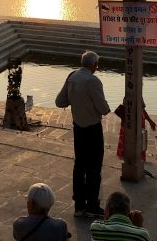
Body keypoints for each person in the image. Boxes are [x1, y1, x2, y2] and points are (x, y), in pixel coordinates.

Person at [55, 50, 110, 218]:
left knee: (79, 167)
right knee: (94, 168)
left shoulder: (72, 76)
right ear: (93, 65)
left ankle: (79, 205)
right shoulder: (93, 81)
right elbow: (103, 108)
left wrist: (76, 101)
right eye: (96, 65)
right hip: (92, 129)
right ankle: (92, 205)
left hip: (78, 127)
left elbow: (60, 101)